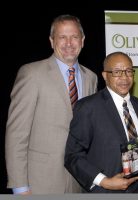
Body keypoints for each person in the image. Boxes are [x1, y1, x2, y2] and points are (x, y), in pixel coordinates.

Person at [5, 14, 98, 194]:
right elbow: (16, 134)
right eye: (62, 37)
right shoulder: (32, 74)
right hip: (40, 182)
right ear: (51, 41)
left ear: (83, 40)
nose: (69, 43)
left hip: (79, 181)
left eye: (74, 37)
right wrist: (20, 187)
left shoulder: (91, 78)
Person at [64, 51, 138, 193]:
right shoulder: (88, 108)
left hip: (137, 189)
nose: (124, 77)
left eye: (128, 71)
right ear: (105, 76)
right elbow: (72, 156)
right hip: (103, 191)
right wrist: (104, 181)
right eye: (117, 72)